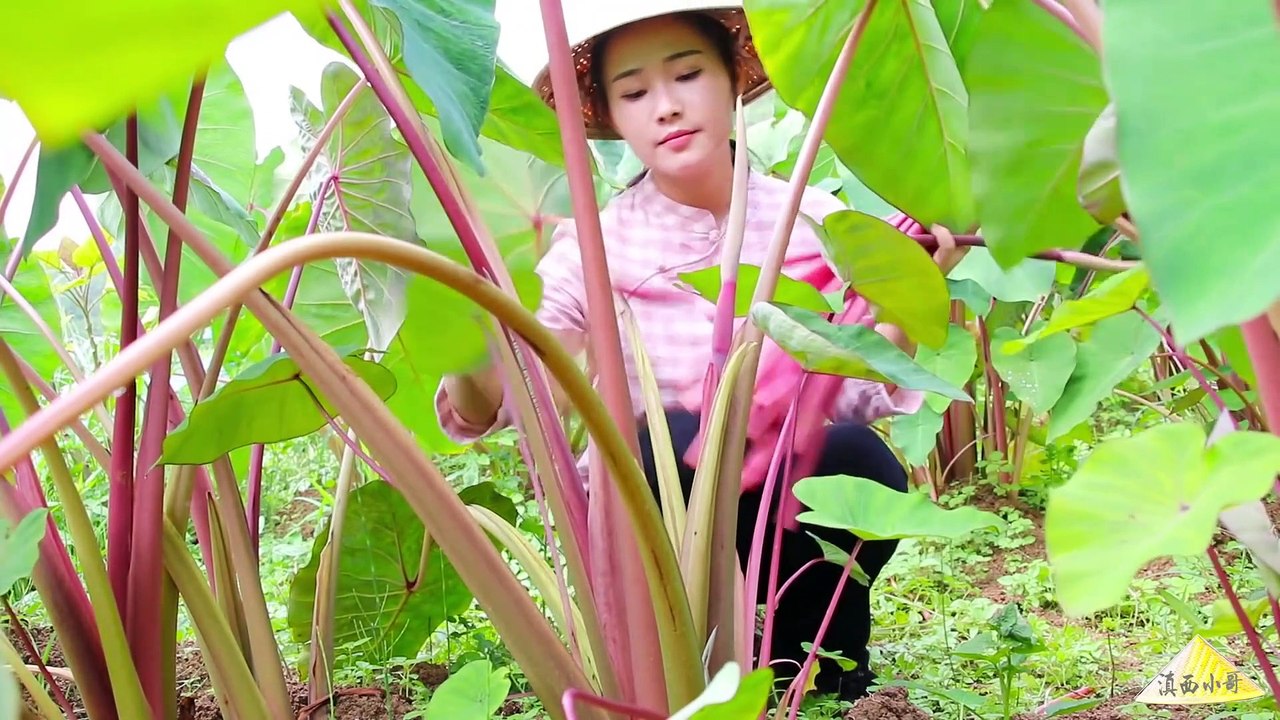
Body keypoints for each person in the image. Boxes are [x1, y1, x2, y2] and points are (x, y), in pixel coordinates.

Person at [436, 2, 942, 701]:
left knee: (860, 458)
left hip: (774, 503)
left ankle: (817, 665)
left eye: (687, 75)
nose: (666, 107)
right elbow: (529, 395)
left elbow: (853, 390)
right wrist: (465, 328)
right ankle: (675, 668)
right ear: (611, 114)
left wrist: (906, 292)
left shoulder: (815, 220)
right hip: (651, 522)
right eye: (636, 92)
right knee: (667, 438)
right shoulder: (594, 240)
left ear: (732, 76)